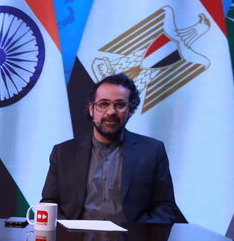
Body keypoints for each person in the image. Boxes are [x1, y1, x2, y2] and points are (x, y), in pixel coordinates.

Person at [40, 73, 183, 224]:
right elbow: (49, 203)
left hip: (132, 238)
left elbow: (165, 208)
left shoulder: (152, 151)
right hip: (75, 237)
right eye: (103, 104)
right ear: (91, 109)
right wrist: (67, 233)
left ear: (130, 110)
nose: (111, 112)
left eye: (120, 104)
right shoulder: (64, 153)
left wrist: (140, 234)